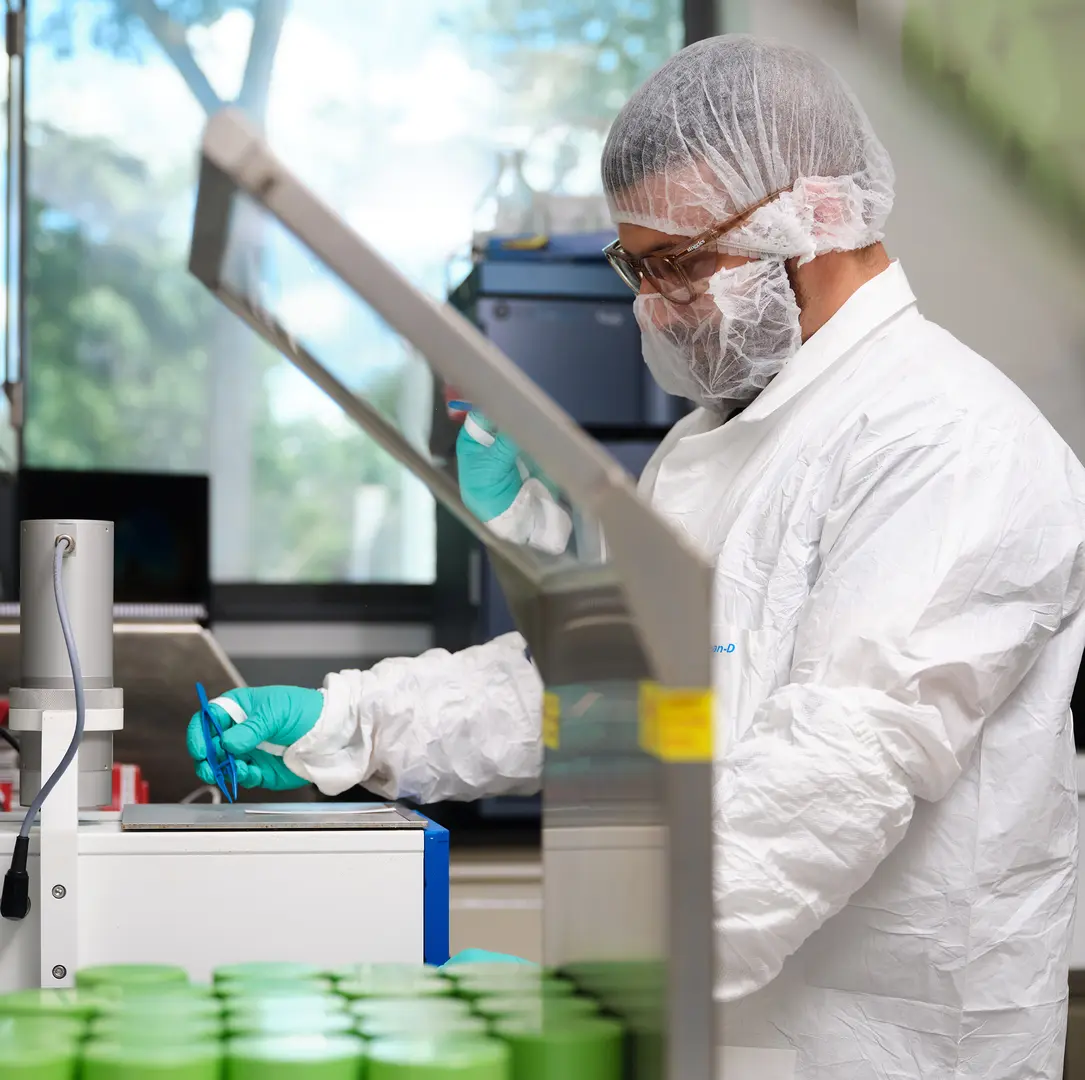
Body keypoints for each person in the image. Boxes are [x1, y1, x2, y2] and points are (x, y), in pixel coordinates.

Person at [188, 35, 1085, 1080]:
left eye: (679, 263)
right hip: (721, 1031)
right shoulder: (708, 442)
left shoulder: (946, 436)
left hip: (886, 1042)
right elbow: (591, 691)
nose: (651, 306)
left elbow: (844, 755)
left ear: (819, 215)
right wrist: (350, 725)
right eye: (638, 266)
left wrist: (601, 978)